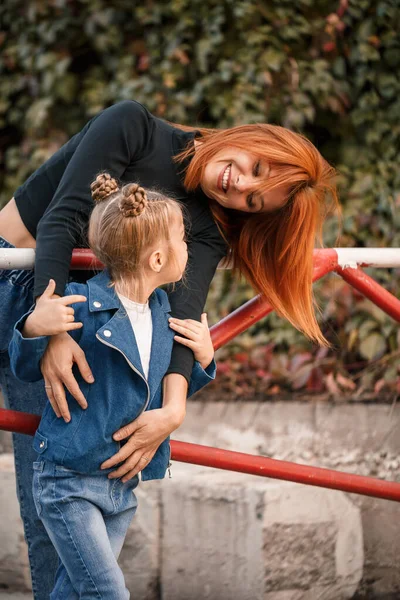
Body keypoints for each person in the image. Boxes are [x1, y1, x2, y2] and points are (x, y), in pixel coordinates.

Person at [0, 99, 339, 598]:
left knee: (57, 491)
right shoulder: (133, 126)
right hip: (24, 284)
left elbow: (182, 318)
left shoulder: (203, 228)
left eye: (252, 202)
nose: (239, 186)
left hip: (74, 323)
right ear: (252, 137)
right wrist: (54, 332)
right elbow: (62, 220)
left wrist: (174, 410)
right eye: (257, 168)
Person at [8, 176, 216, 598]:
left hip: (120, 487)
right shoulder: (82, 303)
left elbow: (155, 391)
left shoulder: (162, 312)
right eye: (183, 239)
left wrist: (206, 359)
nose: (188, 249)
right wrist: (33, 326)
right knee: (107, 591)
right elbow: (25, 365)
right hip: (68, 482)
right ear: (158, 259)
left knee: (74, 591)